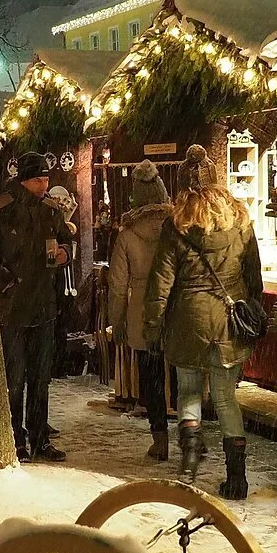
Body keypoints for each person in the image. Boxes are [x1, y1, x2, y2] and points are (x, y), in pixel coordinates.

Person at [143, 145, 262, 499]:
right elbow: (253, 276)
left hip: (188, 320)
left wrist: (153, 326)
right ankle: (237, 478)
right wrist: (253, 309)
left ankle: (190, 461)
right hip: (227, 321)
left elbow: (161, 282)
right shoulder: (240, 222)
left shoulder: (176, 225)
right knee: (225, 398)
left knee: (189, 391)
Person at [0, 152, 73, 461]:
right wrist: (8, 282)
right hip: (13, 309)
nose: (44, 185)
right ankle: (16, 439)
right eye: (39, 179)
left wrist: (65, 253)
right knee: (15, 380)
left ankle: (40, 438)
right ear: (24, 180)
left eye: (47, 179)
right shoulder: (2, 209)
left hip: (44, 305)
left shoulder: (50, 211)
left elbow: (66, 241)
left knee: (40, 380)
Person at [108, 160, 172, 461]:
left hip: (143, 313)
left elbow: (117, 286)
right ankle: (192, 436)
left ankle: (160, 438)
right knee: (184, 375)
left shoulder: (127, 235)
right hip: (175, 307)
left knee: (152, 376)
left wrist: (117, 321)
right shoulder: (177, 228)